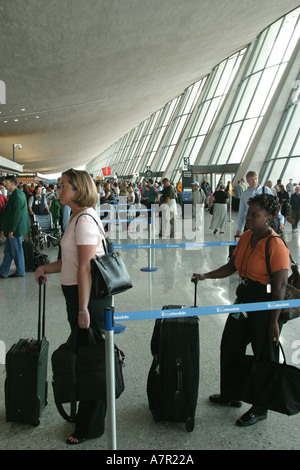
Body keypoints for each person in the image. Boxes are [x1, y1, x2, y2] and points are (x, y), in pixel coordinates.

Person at [192, 194, 290, 427]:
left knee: (263, 356)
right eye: (249, 213)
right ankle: (231, 394)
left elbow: (281, 287)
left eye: (254, 214)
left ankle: (260, 407)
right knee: (230, 346)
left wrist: (274, 321)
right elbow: (231, 266)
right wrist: (205, 275)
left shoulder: (276, 245)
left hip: (265, 305)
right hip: (243, 300)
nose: (248, 218)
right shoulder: (246, 237)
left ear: (269, 218)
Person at [35, 169, 110, 445]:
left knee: (91, 360)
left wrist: (82, 309)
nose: (59, 189)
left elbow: (85, 270)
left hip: (88, 299)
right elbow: (69, 263)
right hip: (78, 296)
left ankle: (91, 425)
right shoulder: (76, 218)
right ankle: (88, 418)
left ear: (78, 189)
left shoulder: (85, 221)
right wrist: (44, 267)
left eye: (63, 185)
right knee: (85, 355)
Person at [236, 171, 284, 236]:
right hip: (251, 223)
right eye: (252, 179)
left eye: (256, 179)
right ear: (247, 180)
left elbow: (274, 206)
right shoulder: (244, 194)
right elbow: (242, 211)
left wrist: (281, 220)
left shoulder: (266, 190)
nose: (254, 181)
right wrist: (239, 228)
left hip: (265, 223)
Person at [0, 175, 30, 278]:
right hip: (14, 228)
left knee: (17, 250)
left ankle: (20, 271)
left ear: (13, 183)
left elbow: (15, 215)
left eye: (6, 183)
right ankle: (3, 271)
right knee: (8, 250)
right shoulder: (17, 193)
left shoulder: (17, 196)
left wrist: (11, 230)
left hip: (15, 229)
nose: (5, 184)